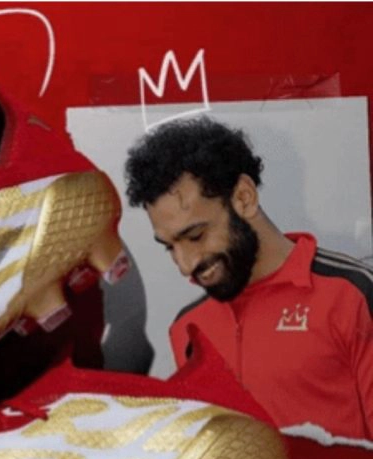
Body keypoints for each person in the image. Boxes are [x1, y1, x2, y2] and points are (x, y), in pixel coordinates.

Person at [124, 116, 373, 440]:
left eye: (196, 236)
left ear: (244, 197)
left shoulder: (351, 295)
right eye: (170, 246)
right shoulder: (187, 328)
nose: (185, 265)